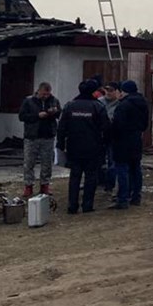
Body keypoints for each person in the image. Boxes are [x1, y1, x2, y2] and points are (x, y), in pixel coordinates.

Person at [56, 79, 110, 215]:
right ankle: (87, 205)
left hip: (74, 147)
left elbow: (61, 127)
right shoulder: (98, 106)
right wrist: (106, 144)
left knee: (75, 177)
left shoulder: (70, 105)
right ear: (93, 91)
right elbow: (106, 128)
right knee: (91, 177)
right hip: (93, 147)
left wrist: (60, 144)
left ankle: (72, 206)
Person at [109, 80, 149, 209]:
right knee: (135, 168)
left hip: (122, 141)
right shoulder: (143, 104)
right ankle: (136, 196)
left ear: (123, 91)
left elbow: (117, 125)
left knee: (122, 169)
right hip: (136, 139)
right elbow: (145, 124)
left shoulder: (123, 105)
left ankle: (122, 199)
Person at [18, 81, 60, 198]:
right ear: (38, 91)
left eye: (47, 94)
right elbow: (22, 116)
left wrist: (54, 112)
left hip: (48, 136)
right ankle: (28, 186)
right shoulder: (28, 101)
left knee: (47, 163)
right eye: (43, 94)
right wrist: (37, 116)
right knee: (29, 163)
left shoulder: (53, 100)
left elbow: (59, 114)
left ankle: (45, 185)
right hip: (32, 137)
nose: (46, 97)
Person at [99, 83, 121, 193]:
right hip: (99, 136)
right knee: (99, 161)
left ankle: (110, 183)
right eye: (107, 90)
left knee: (112, 162)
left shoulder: (120, 104)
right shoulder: (99, 102)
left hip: (113, 137)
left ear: (117, 92)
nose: (108, 92)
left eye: (111, 90)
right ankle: (100, 181)